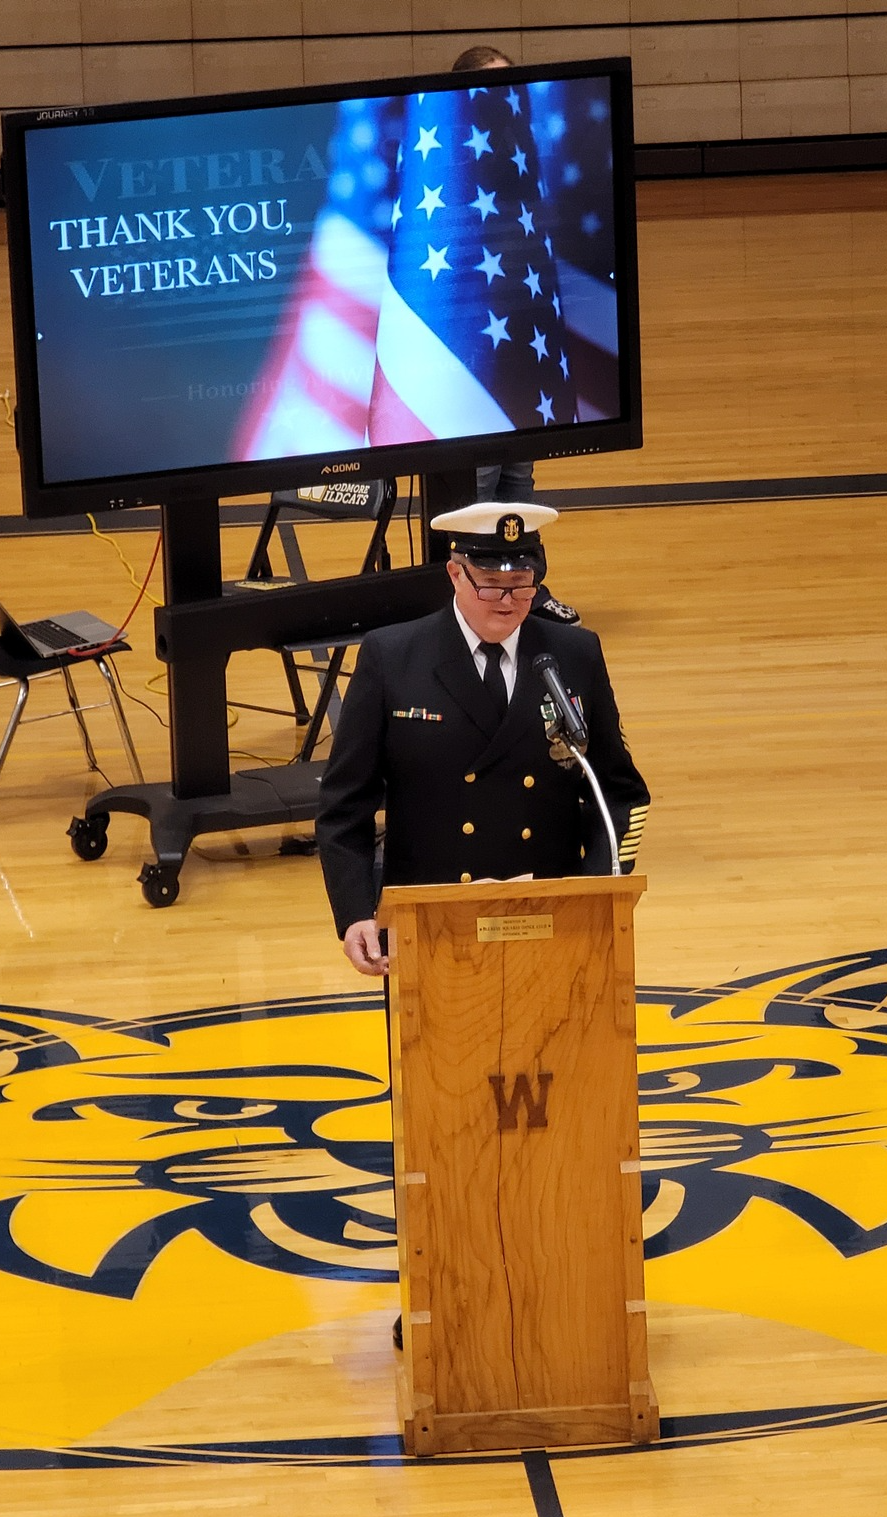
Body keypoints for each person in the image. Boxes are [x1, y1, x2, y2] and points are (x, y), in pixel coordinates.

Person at [316, 502, 650, 977]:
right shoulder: (392, 657)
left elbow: (617, 791)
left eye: (522, 586)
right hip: (430, 918)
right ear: (455, 574)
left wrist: (597, 890)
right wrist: (354, 913)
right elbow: (344, 804)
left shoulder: (574, 654)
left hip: (551, 916)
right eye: (491, 584)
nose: (508, 601)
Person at [452, 44, 580, 627]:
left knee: (519, 482)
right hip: (475, 347)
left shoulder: (523, 150)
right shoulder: (451, 156)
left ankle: (527, 587)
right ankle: (467, 596)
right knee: (478, 489)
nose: (508, 94)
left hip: (522, 334)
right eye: (495, 85)